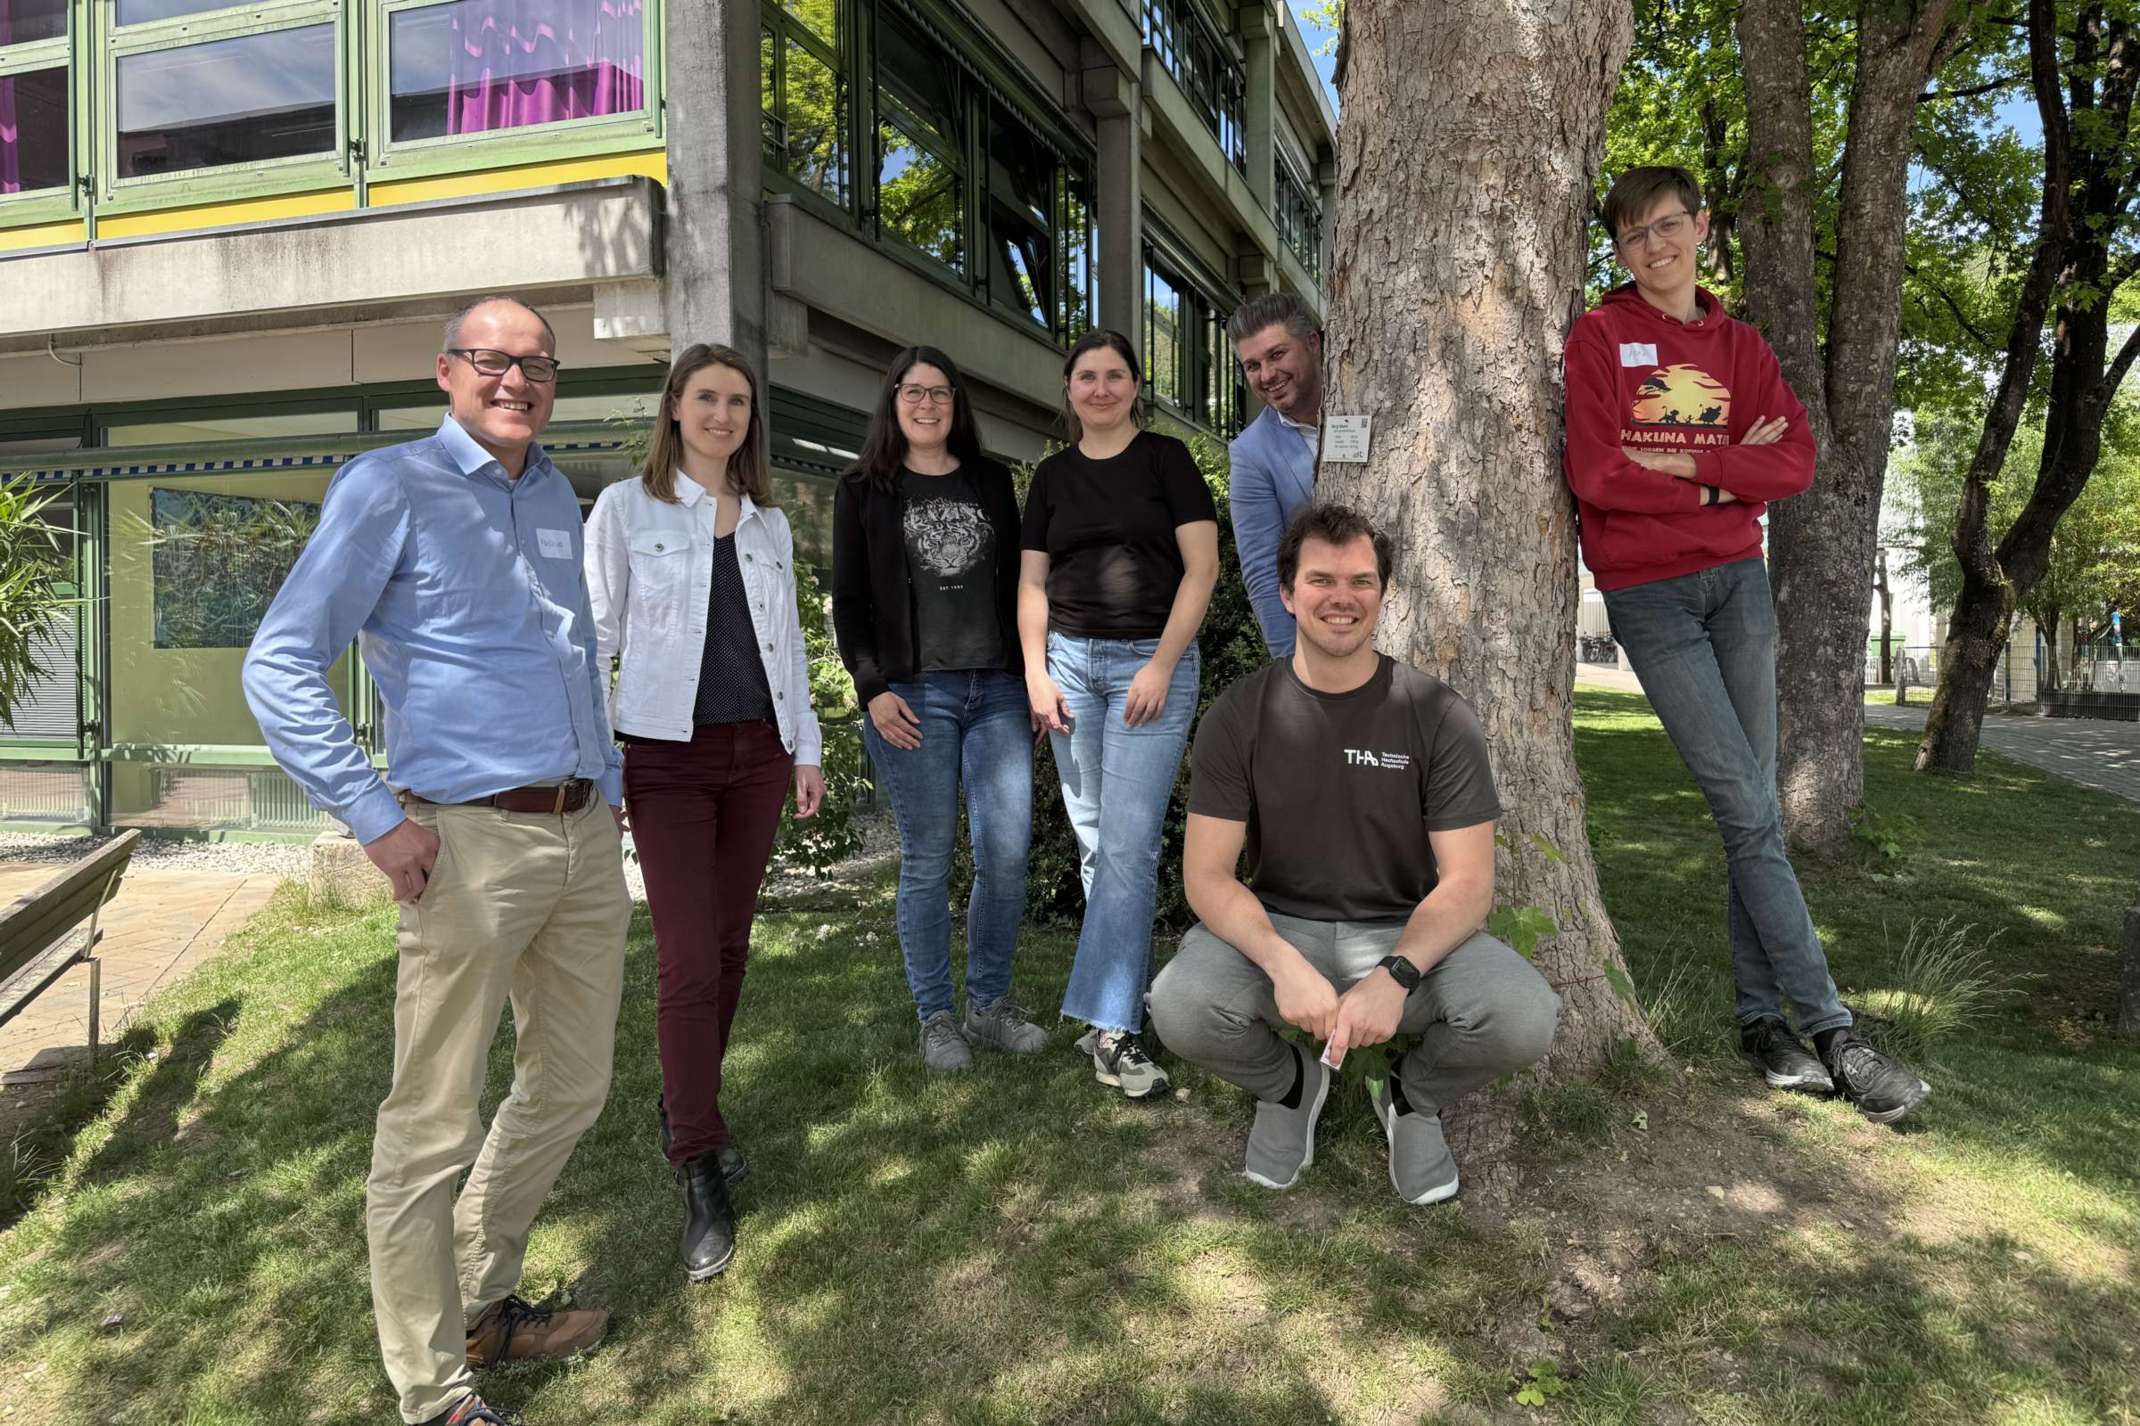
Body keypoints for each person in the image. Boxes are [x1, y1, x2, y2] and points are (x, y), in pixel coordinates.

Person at [243, 296, 626, 1426]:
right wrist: (372, 813)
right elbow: (280, 664)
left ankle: (481, 1298)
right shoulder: (388, 487)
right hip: (465, 842)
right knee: (430, 1121)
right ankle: (434, 1389)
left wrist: (603, 785)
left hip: (581, 834)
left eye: (538, 364)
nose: (518, 380)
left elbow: (562, 649)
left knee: (571, 1083)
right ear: (446, 372)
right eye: (494, 361)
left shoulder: (555, 491)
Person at [1563, 164, 1929, 1122]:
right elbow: (1598, 473)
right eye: (1635, 234)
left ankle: (1763, 1023)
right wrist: (1732, 474)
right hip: (1647, 595)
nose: (1656, 247)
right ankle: (1836, 1035)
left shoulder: (1743, 345)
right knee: (1744, 802)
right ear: (1620, 249)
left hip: (1739, 586)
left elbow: (1795, 459)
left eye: (1670, 226)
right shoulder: (1598, 337)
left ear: (1702, 226)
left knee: (1753, 810)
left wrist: (1684, 464)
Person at [1149, 504, 1559, 1204]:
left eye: (1361, 581)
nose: (1342, 597)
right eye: (1321, 579)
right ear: (1287, 593)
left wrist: (1396, 975)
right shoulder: (1238, 716)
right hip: (1282, 927)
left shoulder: (1436, 714)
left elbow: (1468, 885)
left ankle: (1410, 1097)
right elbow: (1208, 877)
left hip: (1404, 932)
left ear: (1382, 592)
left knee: (1523, 1016)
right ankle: (1292, 1086)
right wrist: (1282, 963)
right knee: (1178, 1006)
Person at [583, 343, 826, 1282]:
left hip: (757, 756)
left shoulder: (766, 524)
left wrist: (804, 747)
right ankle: (698, 1159)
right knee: (686, 960)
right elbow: (594, 638)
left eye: (738, 401)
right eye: (707, 398)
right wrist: (602, 766)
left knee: (730, 948)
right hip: (666, 759)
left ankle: (686, 1105)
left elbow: (791, 644)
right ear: (675, 408)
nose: (724, 414)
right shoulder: (625, 509)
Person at [831, 346, 1046, 1072]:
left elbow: (1022, 583)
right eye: (913, 392)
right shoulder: (863, 489)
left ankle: (988, 1006)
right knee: (927, 861)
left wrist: (1035, 676)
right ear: (893, 401)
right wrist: (873, 689)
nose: (927, 405)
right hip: (913, 695)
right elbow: (850, 602)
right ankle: (937, 1017)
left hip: (997, 692)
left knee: (1006, 858)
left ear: (957, 403)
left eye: (940, 393)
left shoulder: (989, 480)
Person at [1020, 328, 1220, 1099]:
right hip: (1068, 667)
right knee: (1100, 845)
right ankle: (1120, 1006)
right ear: (1068, 389)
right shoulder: (1051, 477)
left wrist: (1163, 665)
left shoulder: (1166, 462)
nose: (1100, 388)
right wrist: (1036, 674)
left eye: (1114, 376)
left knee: (1130, 848)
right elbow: (1033, 584)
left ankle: (1112, 1031)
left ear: (1137, 385)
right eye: (1086, 377)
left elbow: (1201, 570)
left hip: (1150, 665)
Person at [1227, 293, 1325, 657]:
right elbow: (1263, 572)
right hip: (1330, 639)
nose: (1267, 375)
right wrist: (1294, 667)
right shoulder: (1251, 454)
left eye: (1277, 354)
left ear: (1312, 343)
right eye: (1252, 366)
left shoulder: (1373, 402)